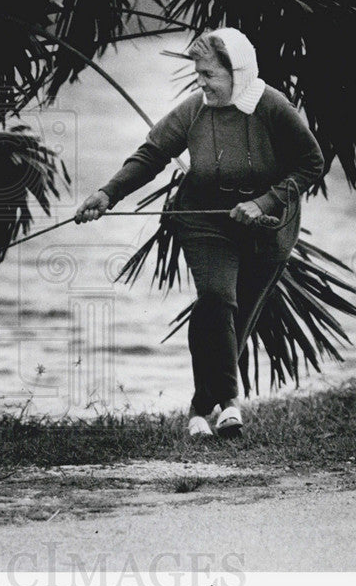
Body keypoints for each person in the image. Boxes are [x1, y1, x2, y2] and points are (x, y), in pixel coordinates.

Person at [75, 28, 325, 438]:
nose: (201, 83)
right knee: (215, 297)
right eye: (198, 73)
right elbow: (152, 154)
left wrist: (263, 203)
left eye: (209, 74)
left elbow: (310, 164)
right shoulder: (194, 110)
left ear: (237, 73)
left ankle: (198, 408)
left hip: (269, 228)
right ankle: (230, 405)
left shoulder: (273, 107)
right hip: (204, 218)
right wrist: (108, 193)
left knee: (233, 319)